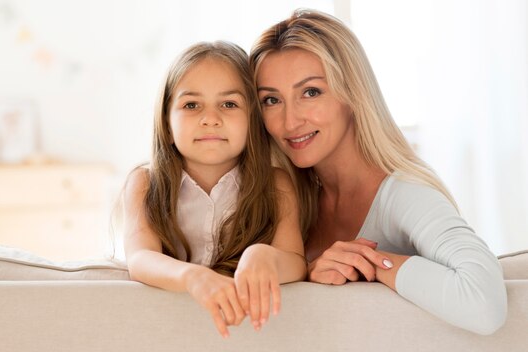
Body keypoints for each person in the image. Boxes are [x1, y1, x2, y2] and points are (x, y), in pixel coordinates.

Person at [249, 9, 507, 335]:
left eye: (311, 92)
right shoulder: (289, 196)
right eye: (271, 100)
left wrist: (368, 264)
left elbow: (485, 304)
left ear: (352, 93)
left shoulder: (405, 194)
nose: (290, 122)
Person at [122, 41, 306, 338]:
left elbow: (296, 262)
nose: (210, 118)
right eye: (191, 105)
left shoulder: (275, 184)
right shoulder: (145, 184)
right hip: (165, 332)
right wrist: (192, 277)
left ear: (254, 122)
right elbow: (141, 259)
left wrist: (265, 257)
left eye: (229, 104)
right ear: (167, 125)